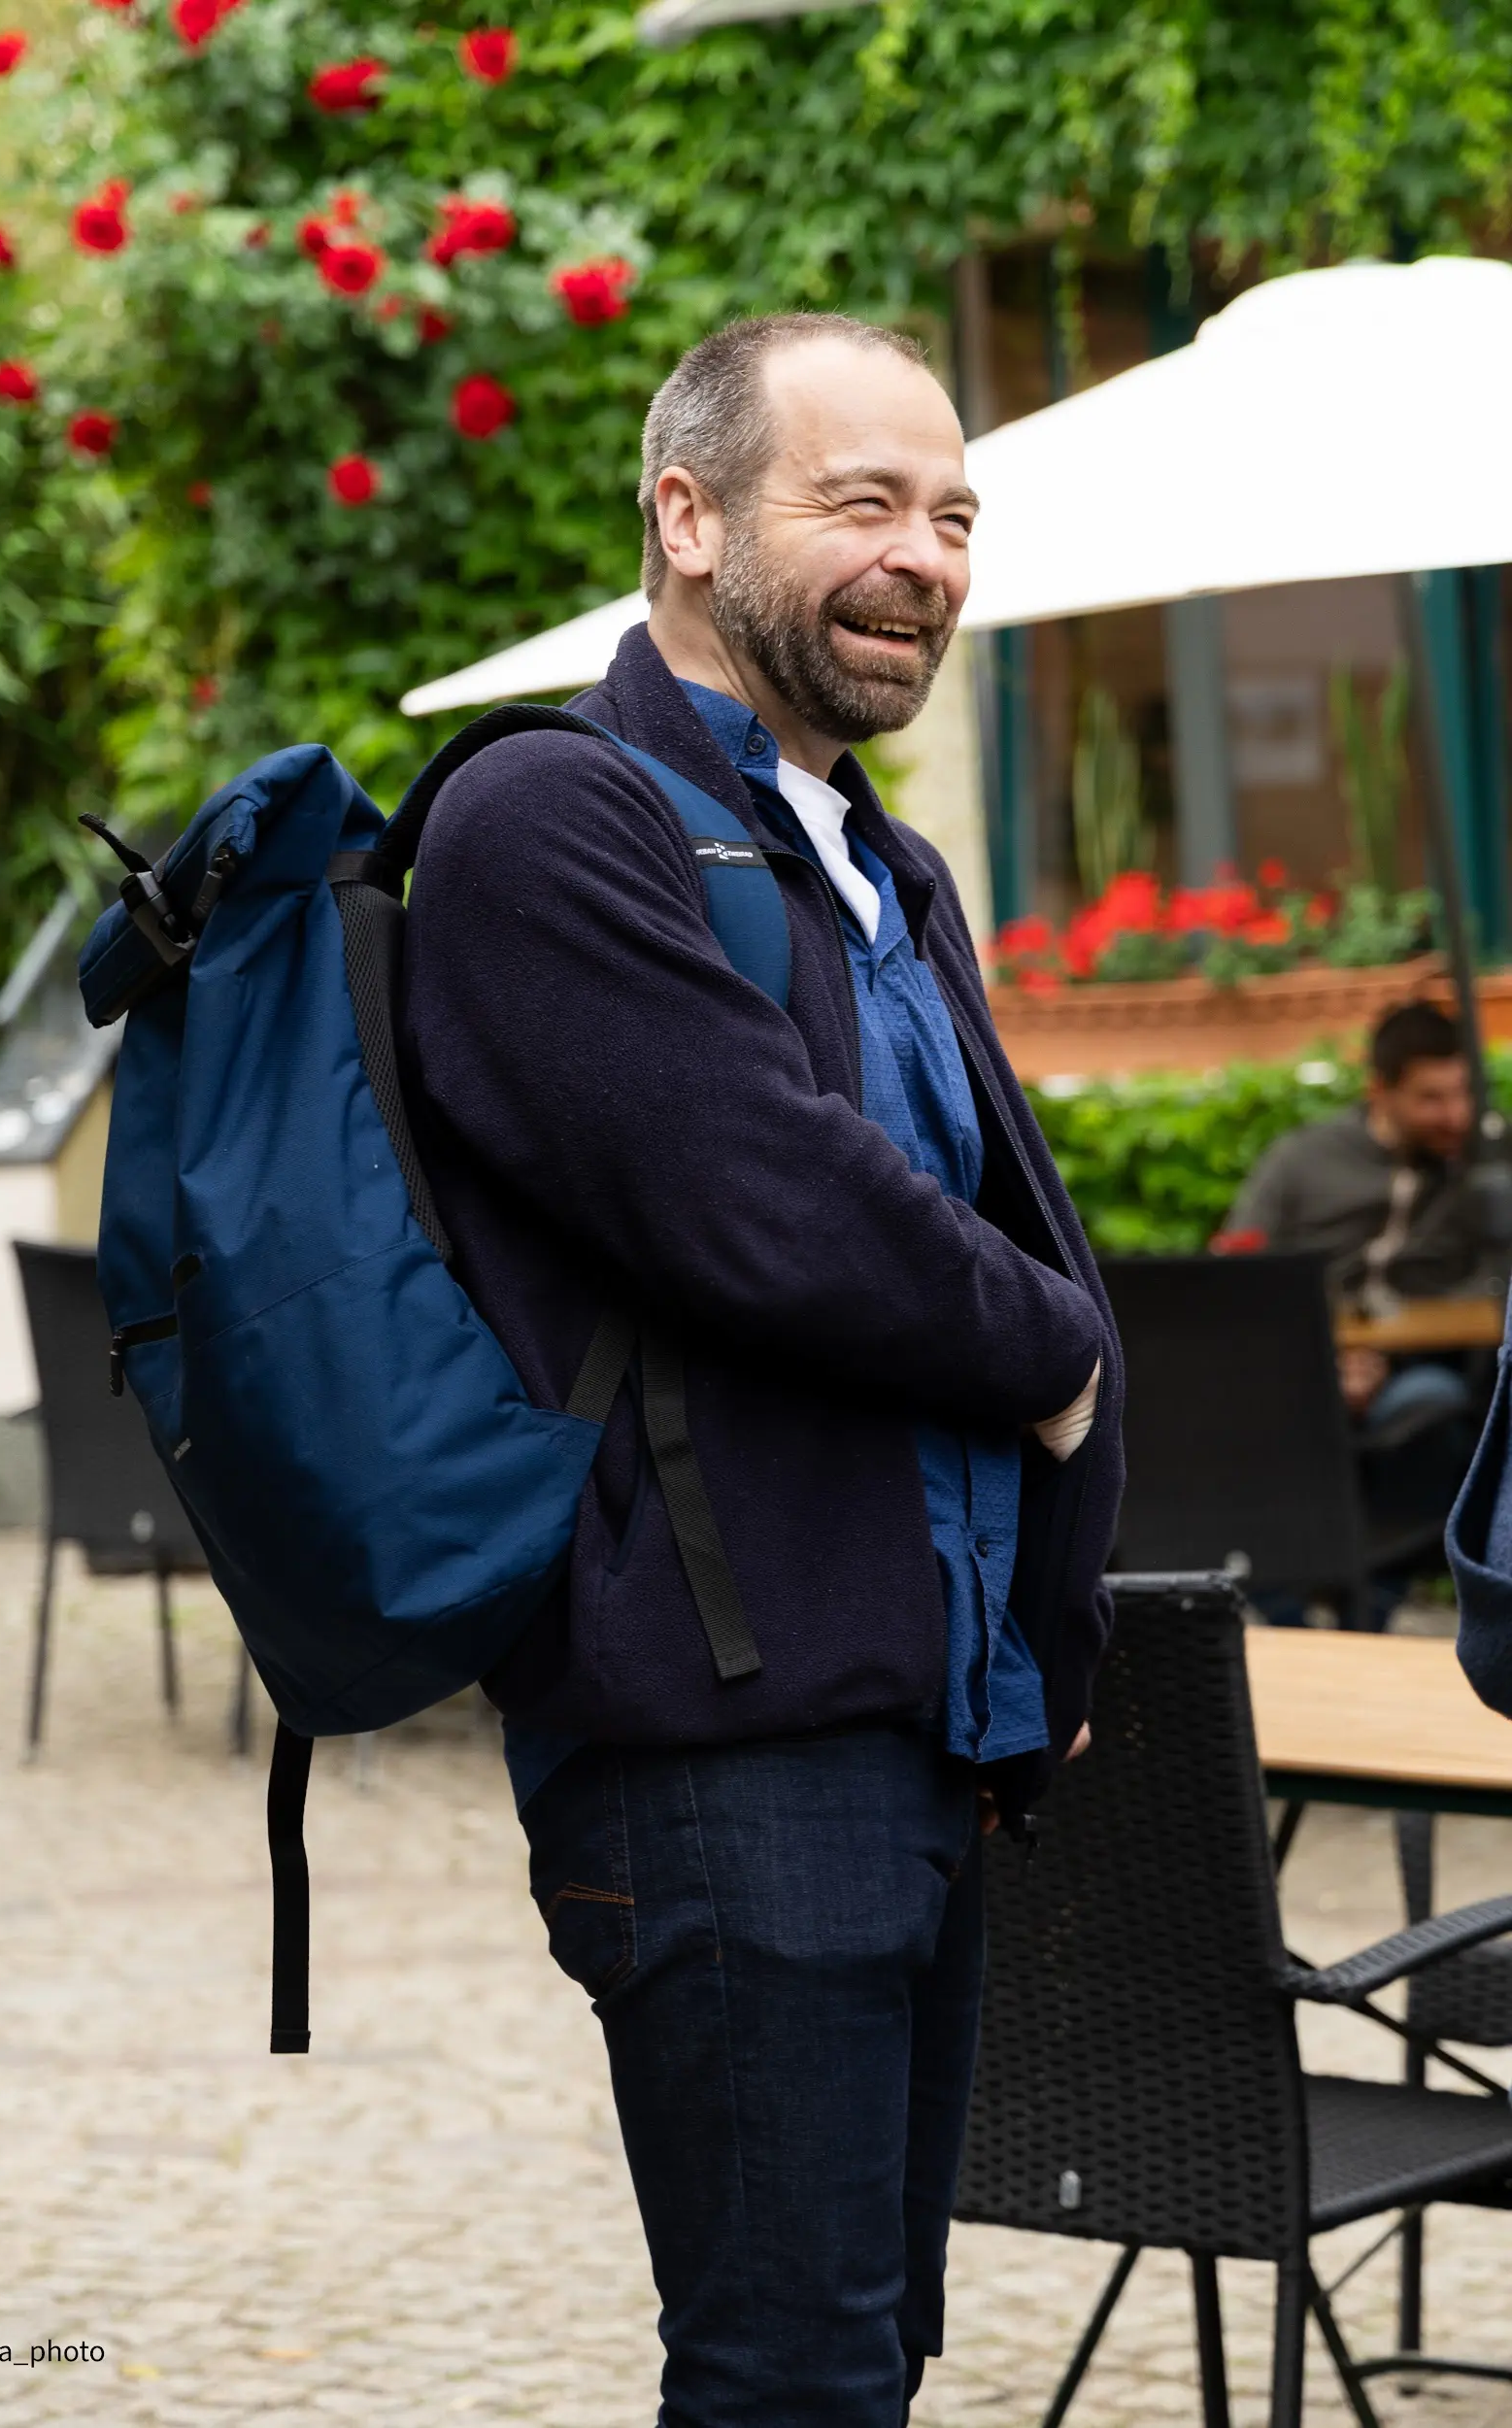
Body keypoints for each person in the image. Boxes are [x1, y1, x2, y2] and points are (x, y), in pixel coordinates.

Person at [400, 313, 1123, 2426]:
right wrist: (1061, 1361)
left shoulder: (880, 861)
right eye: (864, 501)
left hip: (918, 1733)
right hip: (718, 1750)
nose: (924, 558)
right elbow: (763, 1203)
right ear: (690, 517)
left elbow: (967, 1212)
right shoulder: (548, 817)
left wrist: (1041, 1621)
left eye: (954, 515)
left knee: (867, 2351)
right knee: (785, 2373)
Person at [1224, 1000, 1491, 1616]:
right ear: (1380, 1091)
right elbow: (1237, 1274)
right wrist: (1322, 1363)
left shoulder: (1473, 1172)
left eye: (1461, 1094)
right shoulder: (1301, 1161)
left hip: (1409, 1374)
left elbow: (1488, 1286)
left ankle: (1373, 1605)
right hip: (1293, 1373)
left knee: (1435, 1406)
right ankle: (1289, 1620)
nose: (1455, 1115)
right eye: (1431, 1098)